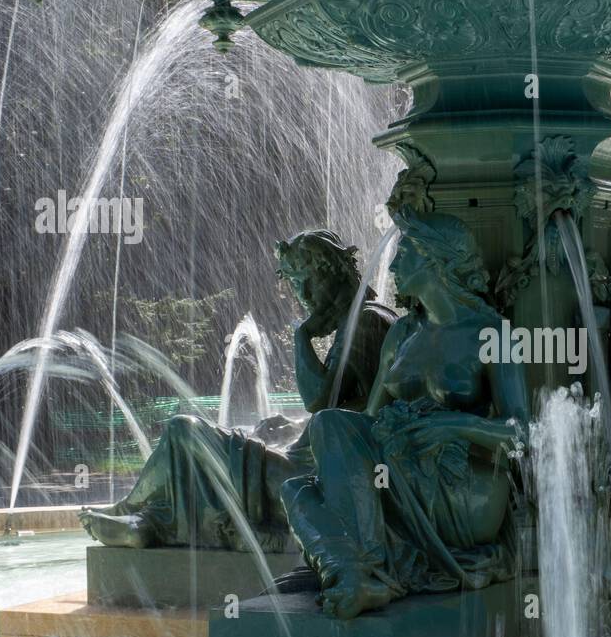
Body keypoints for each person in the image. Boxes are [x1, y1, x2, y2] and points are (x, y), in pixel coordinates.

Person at [280, 210, 529, 619]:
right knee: (298, 486)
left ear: (437, 259)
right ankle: (359, 571)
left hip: (465, 490)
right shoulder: (402, 335)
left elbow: (524, 433)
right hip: (400, 470)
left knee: (324, 479)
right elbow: (371, 421)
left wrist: (454, 425)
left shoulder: (492, 335)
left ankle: (358, 568)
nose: (393, 264)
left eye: (405, 253)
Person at [78, 230, 395, 552]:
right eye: (297, 284)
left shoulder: (365, 323)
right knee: (219, 439)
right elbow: (357, 406)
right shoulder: (372, 319)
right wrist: (298, 426)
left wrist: (302, 337)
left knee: (185, 430)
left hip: (308, 481)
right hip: (315, 467)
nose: (304, 294)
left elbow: (319, 400)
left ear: (334, 271)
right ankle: (146, 521)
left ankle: (135, 514)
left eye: (308, 280)